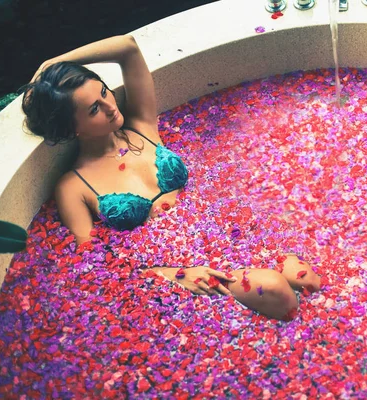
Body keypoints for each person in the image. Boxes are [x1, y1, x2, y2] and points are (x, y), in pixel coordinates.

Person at [22, 35, 320, 320]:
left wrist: (55, 61)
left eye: (103, 91)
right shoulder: (73, 186)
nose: (111, 107)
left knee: (307, 282)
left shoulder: (141, 126)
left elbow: (127, 47)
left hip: (231, 230)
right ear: (72, 127)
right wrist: (171, 275)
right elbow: (96, 266)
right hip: (191, 269)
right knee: (275, 288)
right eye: (94, 109)